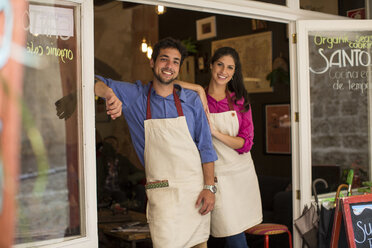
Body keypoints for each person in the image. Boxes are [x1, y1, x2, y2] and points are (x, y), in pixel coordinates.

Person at [94, 37, 218, 248]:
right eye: (164, 59)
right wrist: (108, 94)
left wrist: (210, 188)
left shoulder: (191, 101)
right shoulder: (136, 97)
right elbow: (92, 79)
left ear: (179, 67)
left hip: (194, 193)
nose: (169, 66)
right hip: (162, 193)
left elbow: (206, 146)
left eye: (175, 61)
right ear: (152, 62)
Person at [178, 47, 262, 248]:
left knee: (233, 232)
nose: (224, 70)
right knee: (228, 231)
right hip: (215, 175)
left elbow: (245, 143)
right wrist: (198, 88)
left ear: (234, 72)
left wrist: (214, 133)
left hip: (240, 175)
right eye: (220, 64)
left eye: (230, 67)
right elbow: (166, 82)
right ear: (211, 66)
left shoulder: (239, 101)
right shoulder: (197, 99)